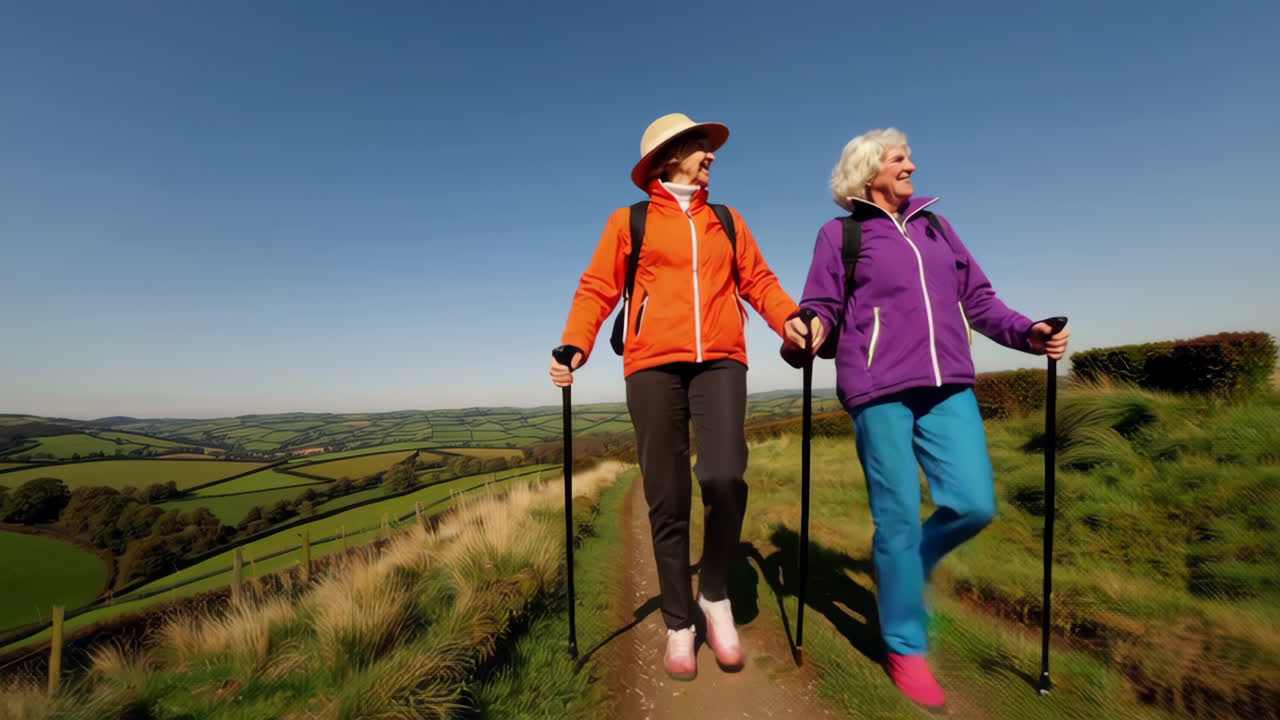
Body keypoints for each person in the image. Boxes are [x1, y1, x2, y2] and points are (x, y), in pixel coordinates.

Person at [793, 128, 1070, 710]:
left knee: (974, 503)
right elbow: (821, 306)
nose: (912, 165)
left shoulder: (937, 227)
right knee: (894, 519)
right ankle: (904, 646)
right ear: (869, 172)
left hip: (948, 387)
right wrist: (808, 329)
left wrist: (1029, 332)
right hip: (877, 390)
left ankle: (904, 569)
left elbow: (981, 301)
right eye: (900, 159)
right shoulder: (840, 235)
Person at [550, 113, 812, 681]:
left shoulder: (728, 220)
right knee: (666, 496)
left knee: (723, 475)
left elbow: (759, 281)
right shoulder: (631, 221)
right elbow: (597, 287)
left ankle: (713, 594)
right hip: (650, 365)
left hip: (721, 358)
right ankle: (678, 621)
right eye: (698, 145)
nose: (710, 154)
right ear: (669, 157)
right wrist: (575, 344)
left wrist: (789, 319)